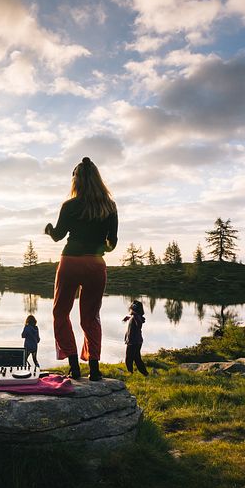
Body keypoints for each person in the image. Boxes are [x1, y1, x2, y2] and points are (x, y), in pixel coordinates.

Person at [44, 156, 118, 381]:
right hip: (95, 265)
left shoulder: (69, 205)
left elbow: (58, 236)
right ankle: (94, 370)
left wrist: (48, 229)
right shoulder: (109, 206)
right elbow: (112, 243)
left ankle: (74, 366)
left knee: (60, 312)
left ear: (77, 179)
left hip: (71, 263)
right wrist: (99, 246)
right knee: (90, 316)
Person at [123, 300, 148, 376]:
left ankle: (130, 373)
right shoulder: (134, 316)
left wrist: (134, 315)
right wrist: (129, 317)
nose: (130, 310)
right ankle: (145, 373)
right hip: (136, 341)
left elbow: (139, 324)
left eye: (131, 309)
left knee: (129, 359)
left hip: (133, 341)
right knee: (137, 358)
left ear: (134, 309)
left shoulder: (136, 316)